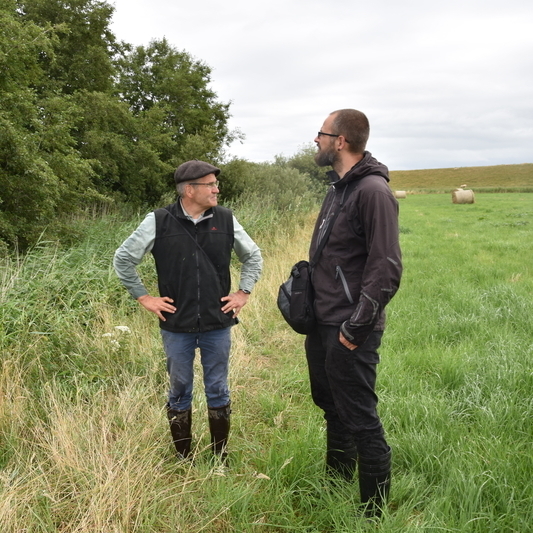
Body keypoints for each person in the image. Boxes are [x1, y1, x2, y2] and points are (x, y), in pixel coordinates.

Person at [114, 160, 263, 462]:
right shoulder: (159, 220)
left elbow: (254, 256)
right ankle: (184, 459)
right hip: (176, 325)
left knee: (218, 389)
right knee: (179, 389)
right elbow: (123, 259)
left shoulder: (226, 219)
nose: (216, 189)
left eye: (215, 184)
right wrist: (145, 298)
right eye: (210, 184)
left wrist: (243, 292)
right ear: (189, 189)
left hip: (217, 323)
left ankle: (219, 457)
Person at [305, 109, 402, 517]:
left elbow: (387, 267)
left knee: (361, 416)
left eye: (322, 134)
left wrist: (355, 326)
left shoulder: (372, 192)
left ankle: (373, 512)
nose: (316, 140)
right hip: (324, 320)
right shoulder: (339, 188)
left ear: (340, 141)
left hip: (349, 326)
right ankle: (336, 481)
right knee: (331, 405)